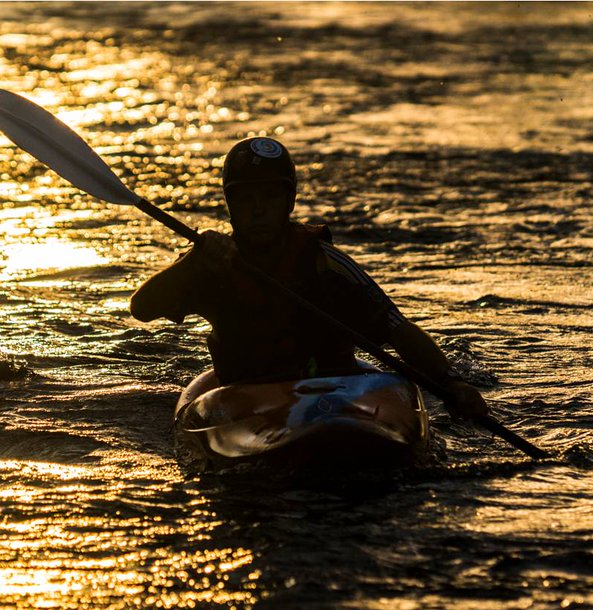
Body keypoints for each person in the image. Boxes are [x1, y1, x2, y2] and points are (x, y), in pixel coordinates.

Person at [129, 136, 488, 421]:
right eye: (246, 198)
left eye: (269, 197)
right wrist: (191, 262)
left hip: (335, 391)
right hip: (247, 397)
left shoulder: (325, 264)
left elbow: (397, 328)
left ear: (289, 202)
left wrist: (450, 383)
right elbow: (142, 308)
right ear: (230, 204)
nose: (257, 209)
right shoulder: (209, 263)